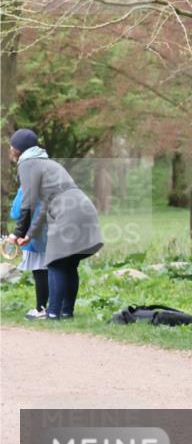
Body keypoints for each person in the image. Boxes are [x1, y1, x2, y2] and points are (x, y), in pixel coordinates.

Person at [8, 129, 103, 320]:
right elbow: (43, 207)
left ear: (18, 149)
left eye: (12, 146)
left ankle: (52, 313)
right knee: (69, 264)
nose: (10, 149)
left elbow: (28, 202)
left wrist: (16, 232)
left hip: (67, 212)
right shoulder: (48, 163)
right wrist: (29, 234)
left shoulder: (27, 164)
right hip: (83, 207)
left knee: (55, 262)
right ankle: (66, 312)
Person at [8, 185, 49, 319]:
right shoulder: (50, 183)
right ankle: (57, 308)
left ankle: (40, 309)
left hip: (33, 235)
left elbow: (16, 212)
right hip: (51, 232)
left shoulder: (26, 186)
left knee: (40, 271)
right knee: (52, 271)